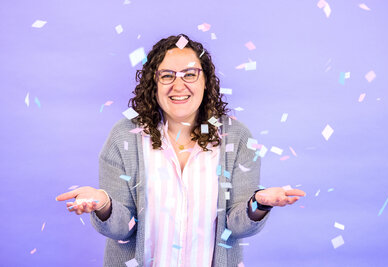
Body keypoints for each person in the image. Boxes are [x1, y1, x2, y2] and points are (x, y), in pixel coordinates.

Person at [56, 34, 306, 267]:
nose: (178, 84)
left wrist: (258, 204)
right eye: (167, 75)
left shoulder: (237, 137)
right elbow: (122, 229)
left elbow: (237, 226)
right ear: (153, 83)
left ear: (206, 80)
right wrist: (104, 205)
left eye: (189, 74)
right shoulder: (124, 137)